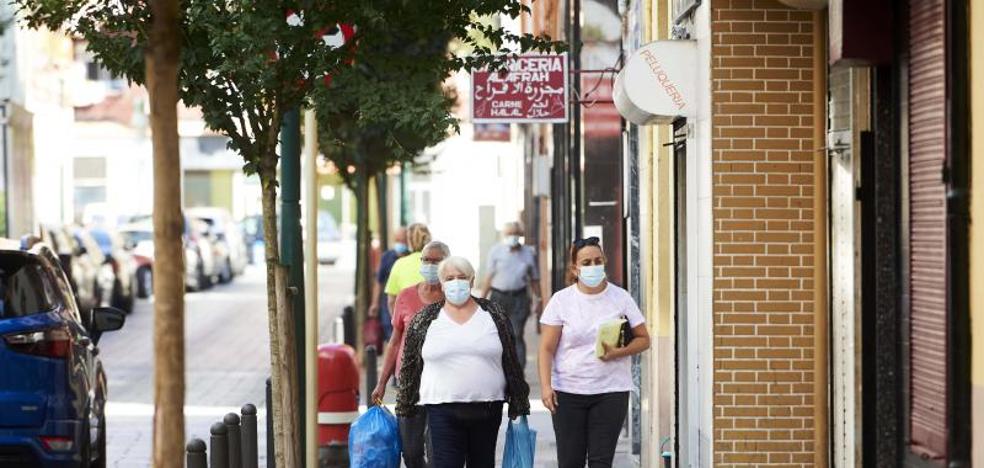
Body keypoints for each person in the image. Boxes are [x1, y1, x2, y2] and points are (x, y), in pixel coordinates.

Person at [396, 256, 530, 468]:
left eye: (462, 277)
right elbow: (409, 366)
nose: (456, 282)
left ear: (472, 280)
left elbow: (511, 359)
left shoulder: (494, 314)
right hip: (442, 411)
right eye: (450, 278)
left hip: (487, 409)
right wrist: (405, 407)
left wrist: (519, 399)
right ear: (441, 283)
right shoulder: (424, 320)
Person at [538, 237, 651, 468]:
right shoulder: (561, 301)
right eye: (586, 262)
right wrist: (546, 387)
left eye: (598, 260)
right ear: (575, 268)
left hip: (611, 391)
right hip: (568, 393)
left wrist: (618, 352)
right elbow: (546, 348)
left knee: (601, 461)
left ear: (605, 261)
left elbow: (644, 339)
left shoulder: (621, 298)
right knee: (570, 461)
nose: (593, 266)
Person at [371, 240, 451, 468]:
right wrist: (381, 382)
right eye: (426, 260)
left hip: (443, 382)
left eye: (437, 261)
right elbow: (394, 342)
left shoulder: (453, 298)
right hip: (409, 380)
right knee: (411, 451)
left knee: (438, 451)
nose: (430, 265)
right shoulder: (406, 296)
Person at [477, 221, 542, 369]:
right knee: (499, 334)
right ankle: (503, 369)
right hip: (499, 297)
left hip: (519, 298)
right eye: (509, 234)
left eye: (515, 234)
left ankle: (518, 372)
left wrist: (539, 299)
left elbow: (535, 279)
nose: (512, 236)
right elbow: (488, 277)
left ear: (520, 235)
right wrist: (481, 299)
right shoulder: (496, 251)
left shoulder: (528, 253)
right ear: (504, 235)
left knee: (516, 333)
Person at [369, 226, 409, 341]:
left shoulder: (411, 257)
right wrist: (374, 303)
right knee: (391, 337)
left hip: (405, 306)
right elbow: (378, 281)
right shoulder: (387, 257)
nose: (400, 243)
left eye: (402, 240)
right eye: (397, 240)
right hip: (388, 306)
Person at [384, 223, 431, 313]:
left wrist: (397, 324)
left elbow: (391, 301)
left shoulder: (399, 264)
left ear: (409, 242)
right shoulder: (439, 262)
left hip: (408, 322)